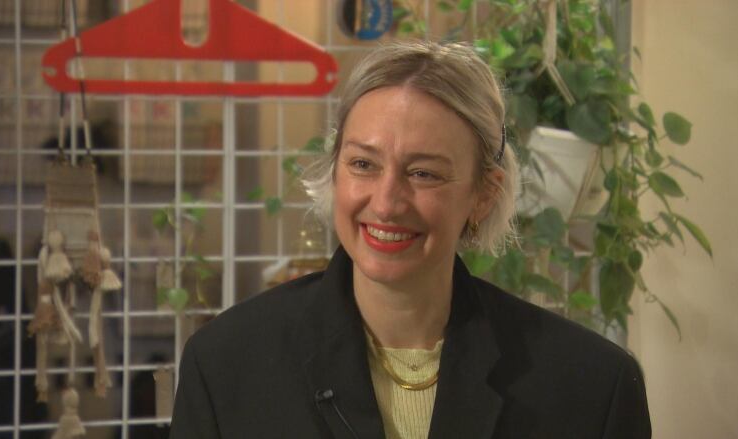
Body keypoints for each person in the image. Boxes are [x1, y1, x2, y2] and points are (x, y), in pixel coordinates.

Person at [168, 40, 651, 439]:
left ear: (484, 195)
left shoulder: (591, 385)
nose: (386, 201)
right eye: (363, 164)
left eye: (423, 173)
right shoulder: (226, 366)